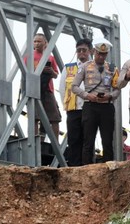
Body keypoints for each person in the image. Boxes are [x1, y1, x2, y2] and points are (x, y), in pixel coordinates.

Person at [71, 38, 120, 164]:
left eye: (103, 54)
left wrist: (109, 96)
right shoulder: (85, 67)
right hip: (90, 106)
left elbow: (117, 89)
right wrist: (87, 95)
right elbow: (74, 86)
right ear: (94, 52)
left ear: (107, 54)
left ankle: (109, 168)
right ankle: (87, 168)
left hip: (106, 107)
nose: (101, 56)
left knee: (107, 141)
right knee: (88, 141)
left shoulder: (112, 68)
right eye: (98, 53)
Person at [59, 38, 92, 166]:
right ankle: (74, 166)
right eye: (79, 50)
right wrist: (66, 104)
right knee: (73, 139)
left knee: (88, 140)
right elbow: (62, 88)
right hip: (73, 109)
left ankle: (87, 166)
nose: (81, 53)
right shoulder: (69, 68)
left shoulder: (95, 67)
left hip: (89, 108)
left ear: (90, 51)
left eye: (84, 50)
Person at [25, 33, 62, 141]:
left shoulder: (50, 57)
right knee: (34, 118)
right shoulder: (29, 56)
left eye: (39, 41)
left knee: (54, 118)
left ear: (45, 43)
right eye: (35, 41)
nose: (36, 43)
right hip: (34, 90)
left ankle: (55, 144)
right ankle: (34, 142)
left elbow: (56, 75)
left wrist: (51, 71)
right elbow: (25, 73)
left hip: (48, 90)